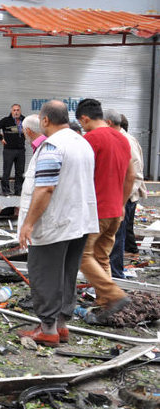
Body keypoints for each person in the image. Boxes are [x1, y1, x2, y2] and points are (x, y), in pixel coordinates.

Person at [17, 100, 98, 347]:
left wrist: (28, 224)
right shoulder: (81, 142)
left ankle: (48, 330)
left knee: (46, 274)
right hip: (79, 222)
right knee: (67, 273)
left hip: (55, 224)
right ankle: (61, 326)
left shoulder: (52, 146)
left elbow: (45, 189)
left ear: (45, 121)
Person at [76, 98, 135, 321]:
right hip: (115, 210)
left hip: (95, 209)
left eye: (82, 124)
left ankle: (114, 294)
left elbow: (79, 175)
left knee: (83, 255)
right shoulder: (122, 139)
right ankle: (104, 301)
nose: (82, 127)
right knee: (101, 256)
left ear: (85, 118)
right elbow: (130, 175)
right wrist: (121, 204)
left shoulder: (89, 139)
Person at [106, 110, 147, 278]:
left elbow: (135, 173)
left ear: (108, 123)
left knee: (118, 237)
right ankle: (113, 273)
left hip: (125, 198)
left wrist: (122, 200)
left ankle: (116, 275)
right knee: (115, 237)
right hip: (120, 197)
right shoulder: (117, 139)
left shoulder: (126, 140)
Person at [0, 104, 26, 195]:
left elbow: (31, 129)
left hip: (21, 150)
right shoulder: (6, 120)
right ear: (11, 111)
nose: (16, 112)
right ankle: (5, 191)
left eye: (18, 110)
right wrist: (1, 138)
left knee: (20, 172)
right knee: (6, 171)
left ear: (20, 111)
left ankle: (18, 191)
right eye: (14, 110)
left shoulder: (25, 120)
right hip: (9, 150)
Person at [120, 114, 141, 254]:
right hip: (127, 193)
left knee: (123, 230)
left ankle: (131, 252)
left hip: (127, 194)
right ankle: (131, 252)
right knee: (125, 230)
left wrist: (125, 196)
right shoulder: (125, 139)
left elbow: (135, 171)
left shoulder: (126, 140)